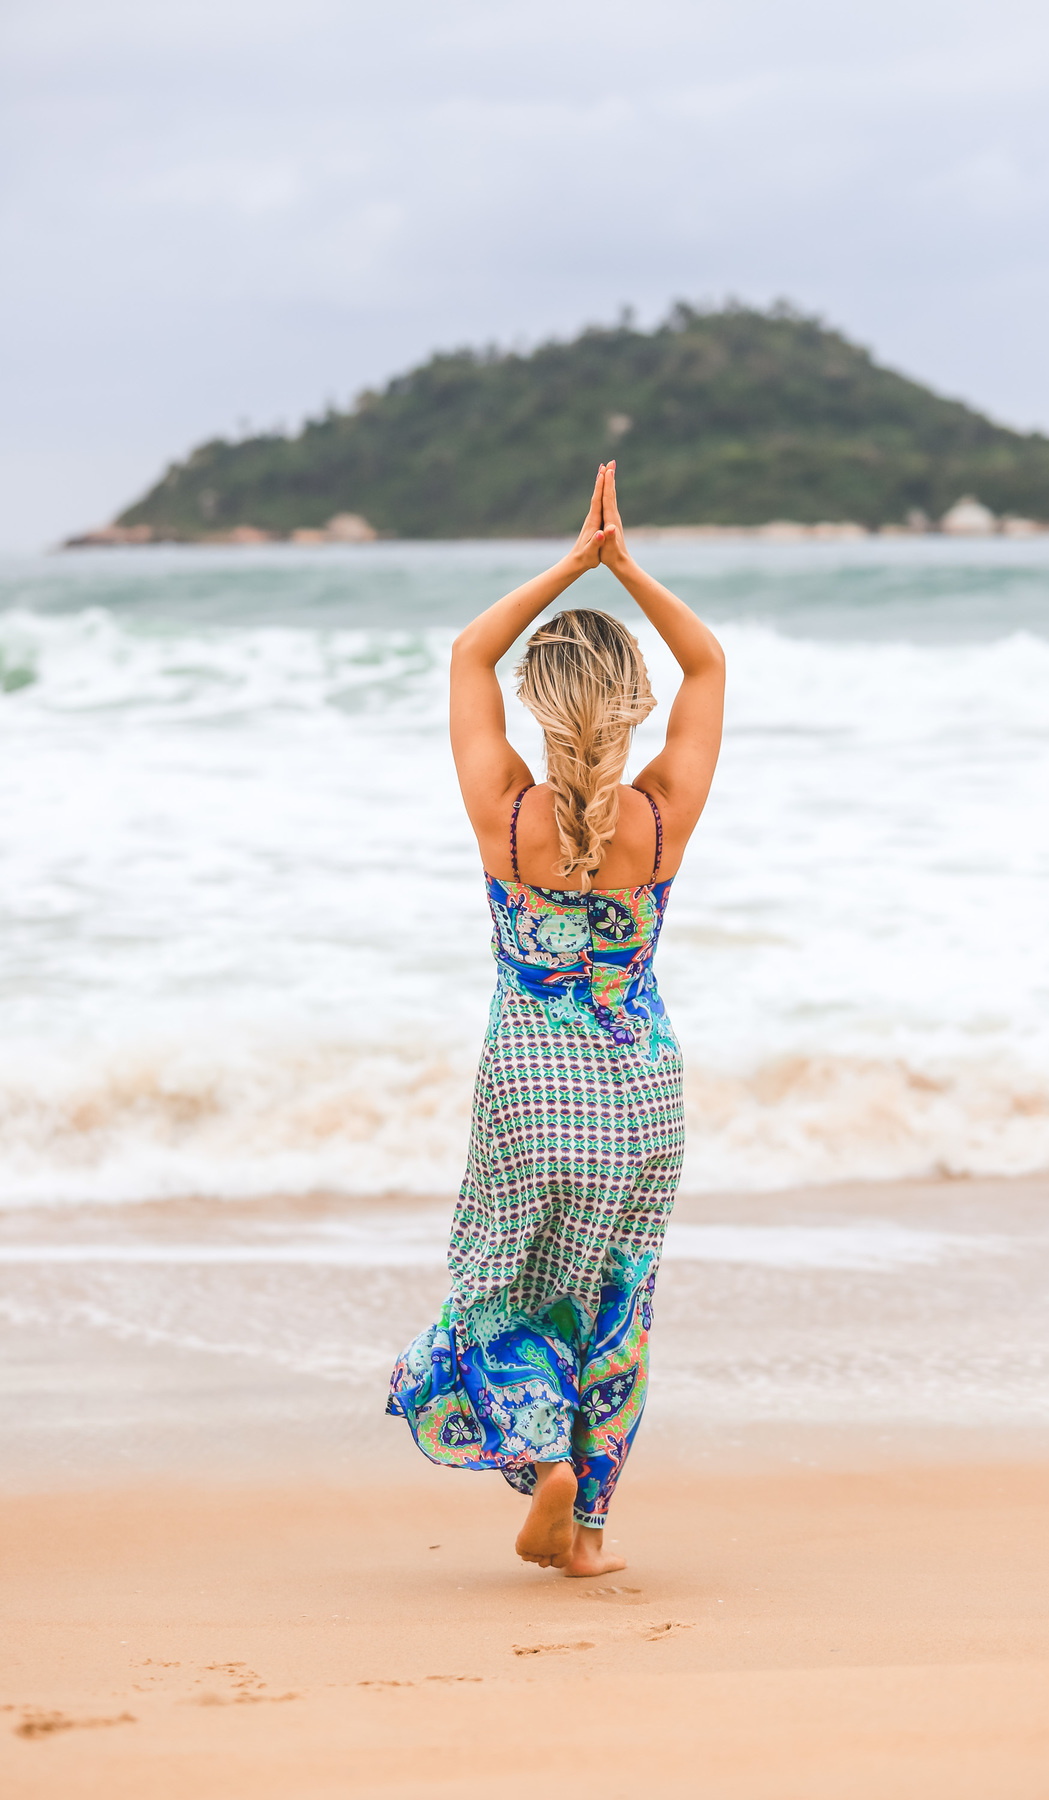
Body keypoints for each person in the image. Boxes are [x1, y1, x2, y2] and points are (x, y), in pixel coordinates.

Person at [387, 462, 724, 1577]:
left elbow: (466, 653)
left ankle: (540, 1462)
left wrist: (574, 564)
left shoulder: (509, 814)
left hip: (533, 1088)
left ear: (540, 706)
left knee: (505, 1288)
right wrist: (629, 569)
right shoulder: (659, 818)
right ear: (632, 707)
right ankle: (586, 1536)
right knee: (616, 1301)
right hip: (640, 1095)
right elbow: (710, 663)